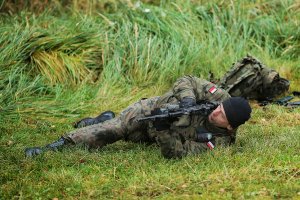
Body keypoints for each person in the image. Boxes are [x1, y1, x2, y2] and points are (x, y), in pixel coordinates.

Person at [25, 75, 252, 159]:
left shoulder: (219, 142)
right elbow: (186, 80)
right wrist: (187, 100)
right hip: (152, 108)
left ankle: (101, 118)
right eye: (219, 108)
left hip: (157, 134)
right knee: (114, 130)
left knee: (127, 135)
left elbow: (177, 154)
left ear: (230, 126)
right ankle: (57, 146)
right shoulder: (219, 97)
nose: (216, 111)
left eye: (221, 115)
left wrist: (163, 129)